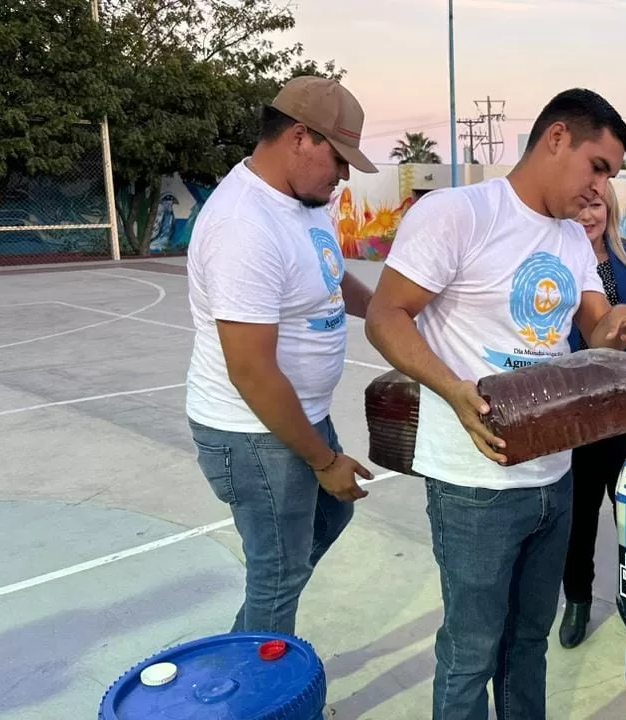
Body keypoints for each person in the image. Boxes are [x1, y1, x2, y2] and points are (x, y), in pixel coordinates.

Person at [364, 88, 626, 720]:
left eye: (610, 175)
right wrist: (454, 390)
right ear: (557, 138)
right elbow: (386, 317)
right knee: (471, 651)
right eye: (597, 167)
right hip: (474, 482)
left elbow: (595, 325)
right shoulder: (459, 213)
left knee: (528, 643)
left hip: (554, 476)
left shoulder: (572, 237)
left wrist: (621, 325)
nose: (601, 188)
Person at [185, 76, 378, 635]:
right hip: (253, 433)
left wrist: (388, 311)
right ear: (299, 137)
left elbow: (329, 276)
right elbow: (250, 370)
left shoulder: (303, 200)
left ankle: (244, 645)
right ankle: (256, 679)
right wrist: (324, 461)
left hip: (299, 416)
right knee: (277, 573)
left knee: (326, 520)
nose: (343, 176)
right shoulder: (243, 225)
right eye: (338, 159)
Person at [558, 183, 626, 649]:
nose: (588, 215)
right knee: (579, 517)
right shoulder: (557, 261)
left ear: (611, 209)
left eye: (596, 205)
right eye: (580, 205)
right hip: (578, 414)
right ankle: (578, 600)